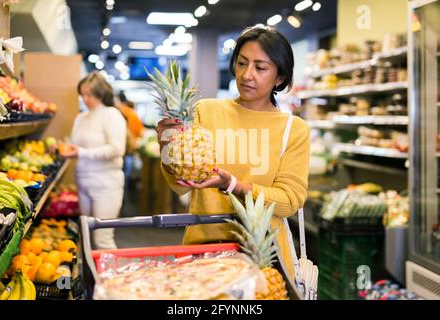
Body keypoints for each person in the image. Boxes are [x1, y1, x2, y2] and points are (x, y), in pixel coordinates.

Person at [157, 25, 310, 280]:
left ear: (280, 77)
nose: (247, 75)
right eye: (242, 63)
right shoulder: (205, 111)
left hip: (264, 259)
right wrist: (167, 147)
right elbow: (181, 186)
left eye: (260, 68)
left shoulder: (293, 129)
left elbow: (288, 201)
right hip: (204, 251)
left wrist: (234, 185)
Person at [62, 71, 127, 250]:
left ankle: (111, 278)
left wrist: (82, 152)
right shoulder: (81, 117)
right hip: (83, 183)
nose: (84, 98)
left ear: (100, 93)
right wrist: (64, 147)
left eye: (88, 94)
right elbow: (75, 144)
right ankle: (93, 278)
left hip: (106, 185)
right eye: (82, 94)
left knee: (103, 238)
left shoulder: (111, 115)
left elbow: (117, 149)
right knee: (87, 238)